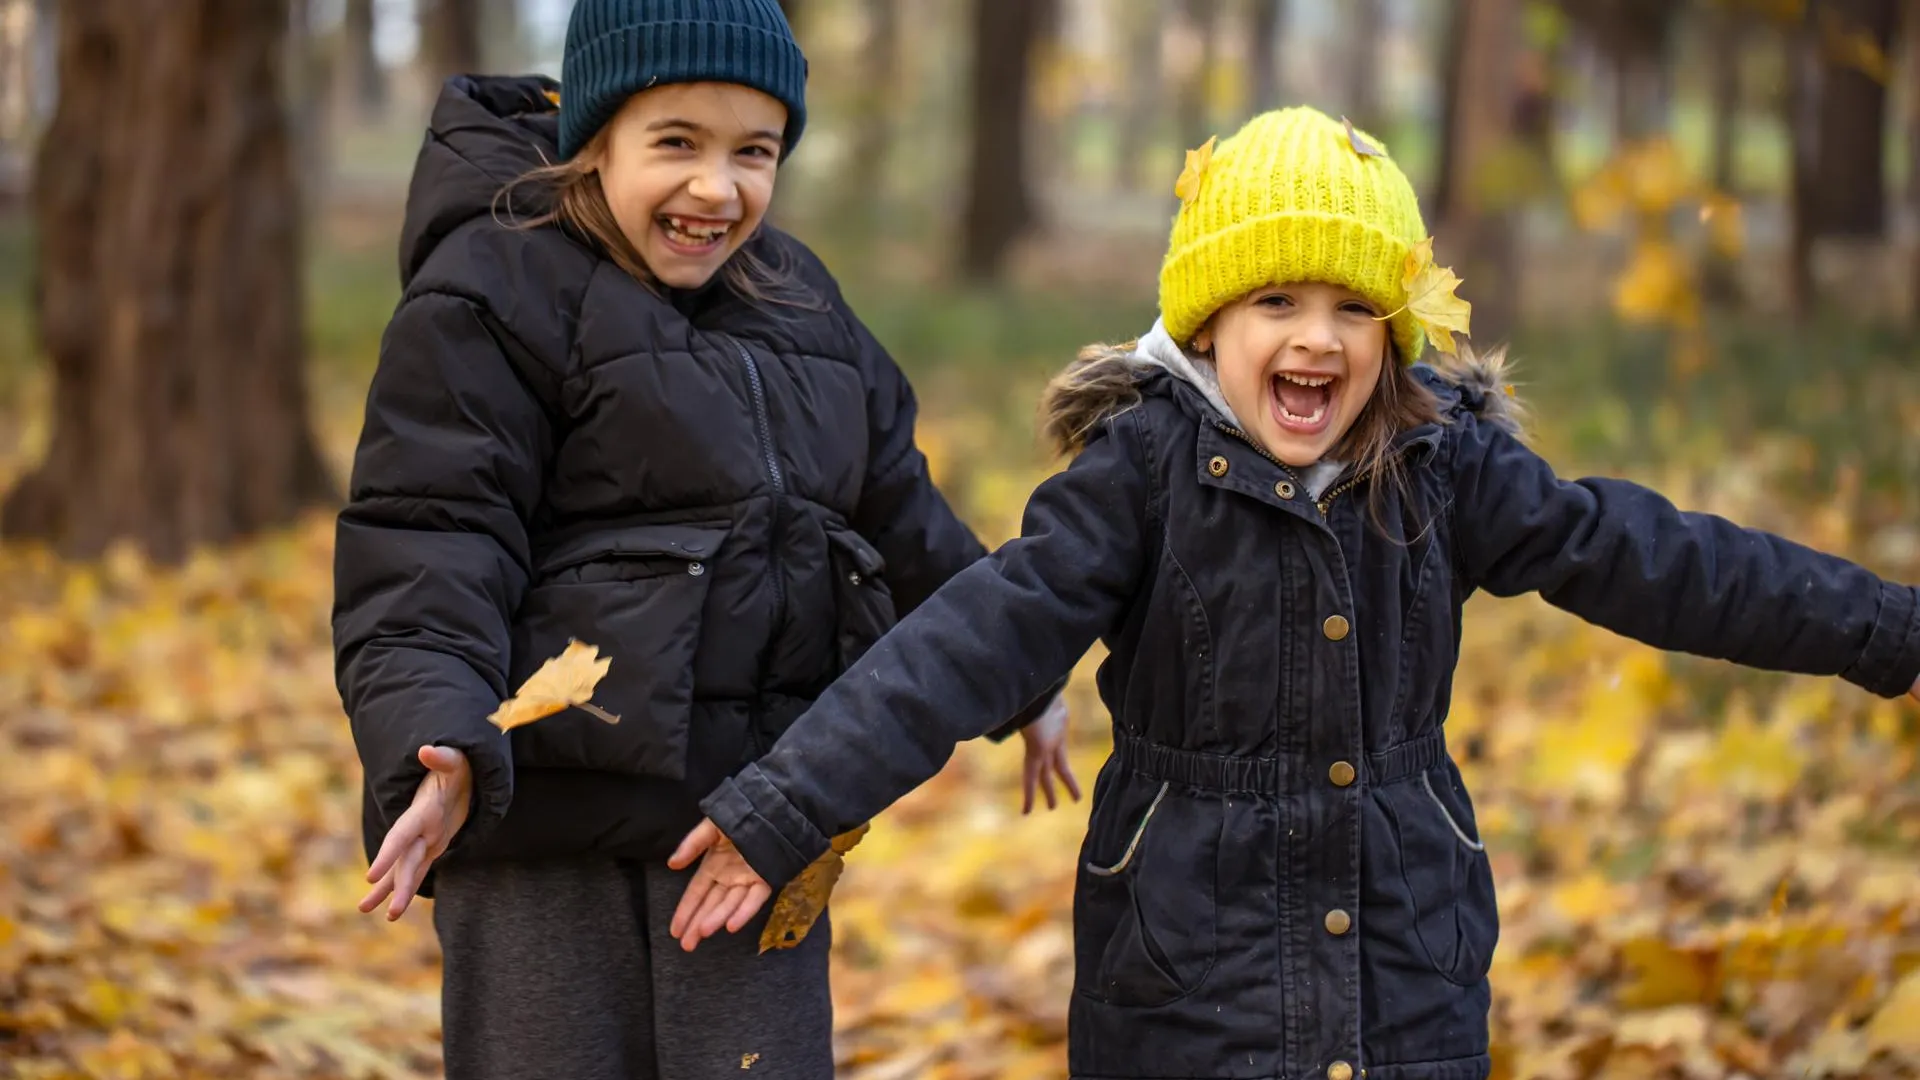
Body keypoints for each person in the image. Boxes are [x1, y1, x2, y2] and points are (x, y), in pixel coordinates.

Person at [664, 105, 1920, 1080]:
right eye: (1277, 301)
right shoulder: (1141, 478)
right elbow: (963, 646)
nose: (1317, 339)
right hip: (1184, 985)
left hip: (1404, 962)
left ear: (1393, 332)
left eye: (1352, 309)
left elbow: (1663, 561)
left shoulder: (1440, 470)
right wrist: (786, 809)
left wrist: (1888, 630)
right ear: (1209, 326)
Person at [331, 3, 1073, 1078]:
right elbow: (430, 541)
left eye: (754, 152)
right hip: (543, 822)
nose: (716, 189)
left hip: (742, 825)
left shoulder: (804, 302)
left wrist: (1023, 683)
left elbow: (901, 516)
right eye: (675, 142)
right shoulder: (491, 290)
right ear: (596, 137)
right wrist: (437, 740)